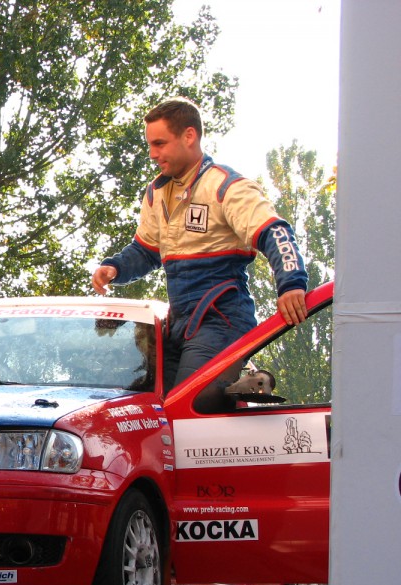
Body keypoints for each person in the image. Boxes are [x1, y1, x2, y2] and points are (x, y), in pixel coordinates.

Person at [91, 98, 309, 393]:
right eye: (150, 146)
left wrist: (291, 284)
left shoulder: (226, 186)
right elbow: (146, 251)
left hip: (222, 320)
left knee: (190, 402)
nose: (153, 154)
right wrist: (114, 267)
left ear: (189, 136)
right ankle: (234, 395)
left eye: (160, 144)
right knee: (152, 406)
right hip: (178, 323)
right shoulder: (156, 192)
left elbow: (275, 232)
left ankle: (239, 390)